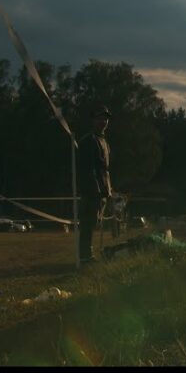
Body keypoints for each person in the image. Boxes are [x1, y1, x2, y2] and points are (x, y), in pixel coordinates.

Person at [76, 106, 113, 265]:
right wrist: (95, 188)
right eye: (99, 118)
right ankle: (85, 257)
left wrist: (108, 188)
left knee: (94, 223)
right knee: (87, 224)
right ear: (93, 120)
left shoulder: (104, 141)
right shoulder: (89, 140)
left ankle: (88, 255)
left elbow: (106, 169)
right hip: (91, 191)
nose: (103, 121)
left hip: (103, 190)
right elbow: (88, 168)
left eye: (105, 119)